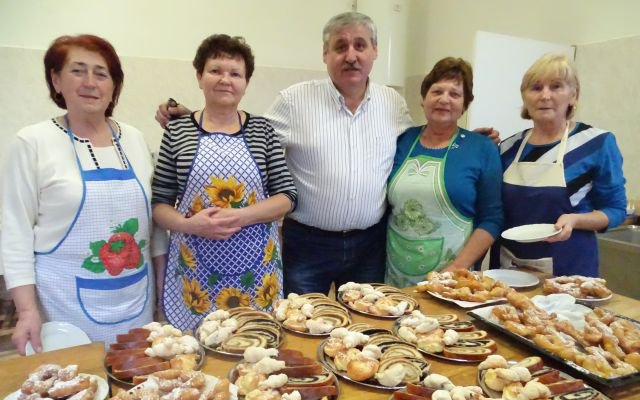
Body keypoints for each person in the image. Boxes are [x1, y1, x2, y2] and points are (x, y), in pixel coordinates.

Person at [155, 12, 499, 295]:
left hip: (370, 245)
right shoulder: (295, 100)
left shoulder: (392, 103)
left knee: (366, 329)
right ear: (325, 54)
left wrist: (468, 141)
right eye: (340, 46)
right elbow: (247, 135)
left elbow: (420, 140)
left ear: (375, 52)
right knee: (303, 330)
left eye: (360, 45)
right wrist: (194, 121)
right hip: (308, 244)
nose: (351, 55)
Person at [1, 34, 167, 354]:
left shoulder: (133, 138)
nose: (90, 82)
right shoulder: (33, 142)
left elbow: (154, 225)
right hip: (63, 305)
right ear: (56, 80)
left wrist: (163, 291)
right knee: (74, 381)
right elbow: (15, 231)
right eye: (77, 71)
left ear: (114, 86)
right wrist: (26, 311)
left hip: (137, 301)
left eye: (101, 74)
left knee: (137, 376)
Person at [151, 34, 297, 330]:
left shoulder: (262, 130)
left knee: (254, 341)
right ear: (199, 76)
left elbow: (287, 196)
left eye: (235, 73)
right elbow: (159, 204)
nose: (225, 80)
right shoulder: (178, 131)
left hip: (257, 271)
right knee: (197, 346)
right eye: (215, 70)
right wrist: (190, 225)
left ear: (246, 82)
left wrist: (241, 216)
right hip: (195, 274)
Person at [491, 54, 627, 276]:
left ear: (573, 95)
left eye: (556, 87)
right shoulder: (507, 148)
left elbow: (615, 211)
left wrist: (576, 220)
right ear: (525, 97)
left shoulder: (596, 144)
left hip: (570, 267)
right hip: (508, 266)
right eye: (536, 88)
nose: (545, 96)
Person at [386, 58, 503, 287]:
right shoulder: (402, 140)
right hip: (394, 273)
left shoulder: (482, 148)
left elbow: (492, 219)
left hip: (452, 279)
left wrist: (456, 268)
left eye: (455, 94)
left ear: (465, 105)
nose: (444, 99)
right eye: (437, 91)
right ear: (424, 98)